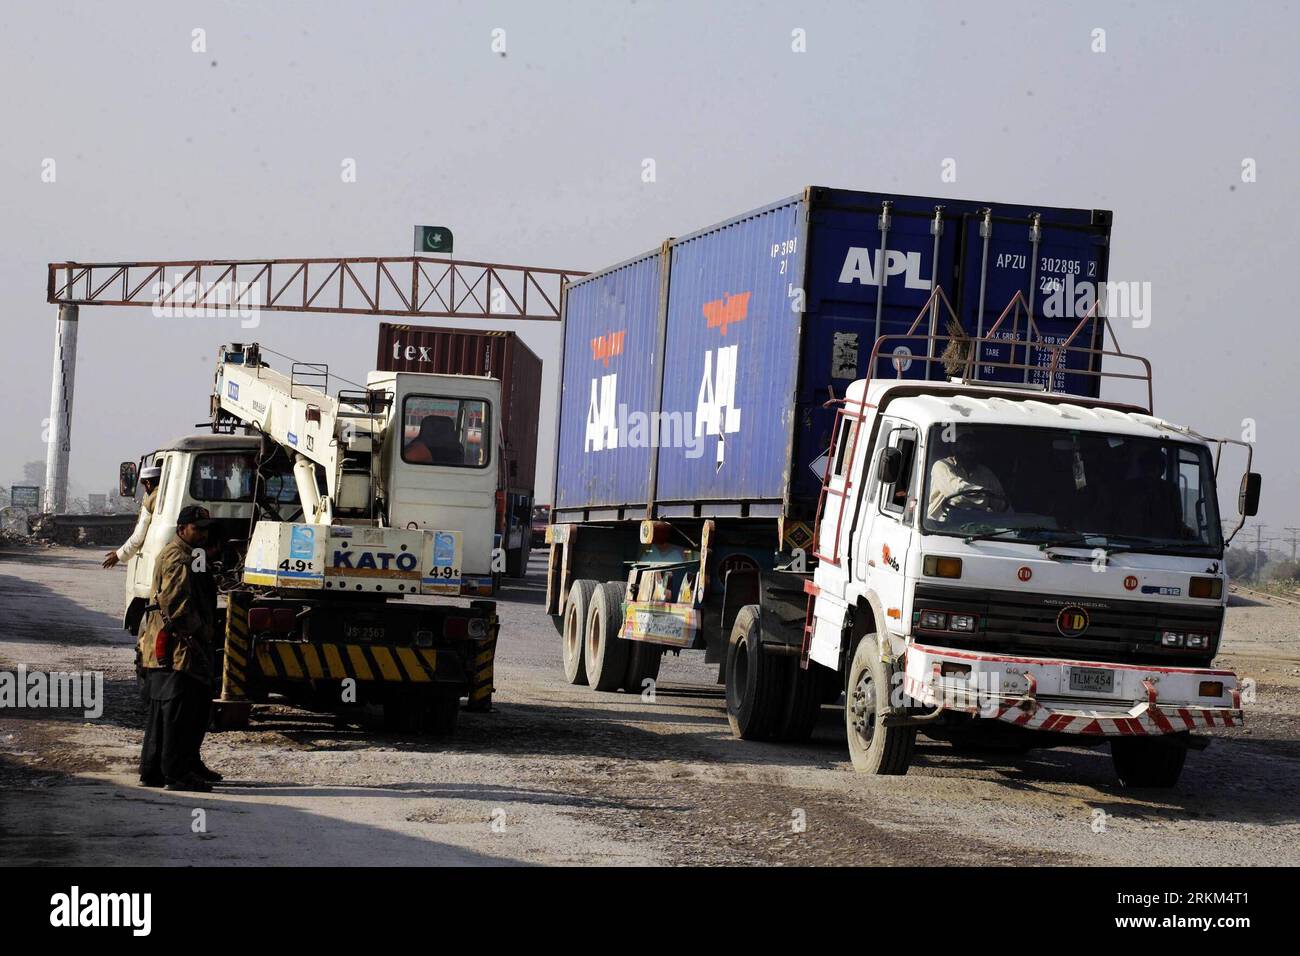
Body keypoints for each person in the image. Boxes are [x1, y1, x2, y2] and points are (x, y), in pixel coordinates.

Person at [137, 505, 222, 791]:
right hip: (178, 646)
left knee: (180, 708)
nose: (202, 533)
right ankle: (175, 772)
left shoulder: (189, 555)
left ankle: (163, 768)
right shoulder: (178, 557)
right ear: (182, 528)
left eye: (205, 529)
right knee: (178, 711)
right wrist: (203, 631)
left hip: (179, 646)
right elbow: (176, 606)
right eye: (197, 528)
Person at [927, 432, 1009, 523]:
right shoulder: (941, 466)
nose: (969, 449)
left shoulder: (985, 473)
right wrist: (984, 492)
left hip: (975, 528)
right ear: (954, 447)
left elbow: (1001, 504)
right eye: (964, 444)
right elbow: (956, 492)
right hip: (940, 527)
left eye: (973, 444)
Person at [102, 464, 161, 568]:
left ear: (148, 483)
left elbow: (138, 537)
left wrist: (119, 555)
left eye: (144, 487)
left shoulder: (151, 499)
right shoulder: (165, 495)